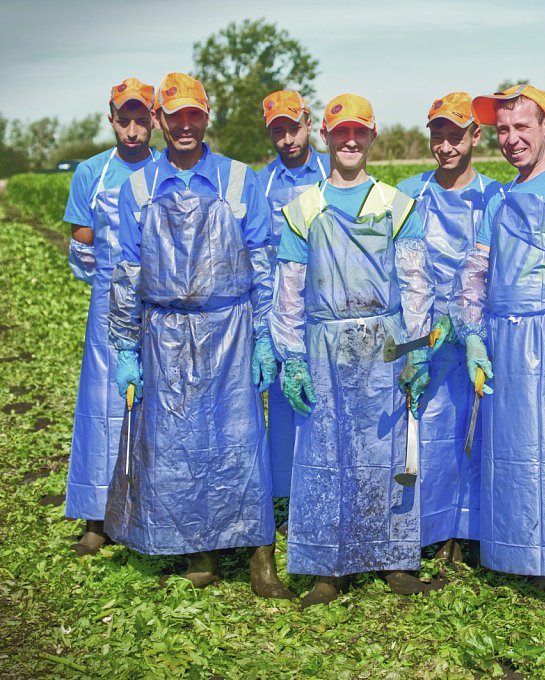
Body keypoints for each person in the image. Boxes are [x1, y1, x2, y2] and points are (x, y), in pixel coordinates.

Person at [105, 72, 290, 599]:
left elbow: (263, 260)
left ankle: (261, 559)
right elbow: (126, 271)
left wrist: (265, 336)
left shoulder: (237, 179)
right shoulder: (136, 187)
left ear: (207, 117)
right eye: (175, 116)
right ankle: (200, 552)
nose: (185, 126)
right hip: (164, 333)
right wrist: (125, 347)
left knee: (241, 441)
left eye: (195, 115)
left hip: (229, 326)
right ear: (159, 119)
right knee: (176, 444)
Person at [448, 84, 545, 638]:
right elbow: (476, 268)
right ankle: (538, 563)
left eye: (522, 127)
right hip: (504, 338)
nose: (512, 140)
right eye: (502, 131)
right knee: (517, 453)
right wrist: (472, 333)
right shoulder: (499, 195)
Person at [270, 93, 437, 607]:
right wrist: (291, 356)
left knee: (384, 451)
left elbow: (415, 283)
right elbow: (288, 290)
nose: (349, 140)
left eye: (358, 132)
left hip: (384, 344)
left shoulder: (396, 204)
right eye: (339, 131)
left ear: (371, 137)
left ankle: (391, 557)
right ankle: (328, 564)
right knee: (325, 451)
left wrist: (417, 347)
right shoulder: (302, 209)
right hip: (323, 346)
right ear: (325, 135)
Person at [395, 92, 498, 565]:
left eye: (456, 136)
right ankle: (433, 530)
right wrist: (419, 338)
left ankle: (473, 531)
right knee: (428, 429)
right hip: (427, 330)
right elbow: (404, 272)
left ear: (475, 136)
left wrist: (468, 323)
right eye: (438, 136)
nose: (446, 146)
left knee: (476, 430)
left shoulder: (496, 195)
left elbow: (487, 266)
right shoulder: (409, 193)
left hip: (476, 329)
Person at [62, 77, 157, 556]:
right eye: (126, 120)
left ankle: (149, 511)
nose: (134, 130)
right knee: (103, 408)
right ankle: (97, 518)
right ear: (112, 119)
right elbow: (82, 236)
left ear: (155, 119)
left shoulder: (165, 170)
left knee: (157, 407)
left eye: (142, 120)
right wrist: (112, 284)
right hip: (107, 307)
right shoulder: (92, 173)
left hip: (160, 305)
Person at [257, 90, 330, 503]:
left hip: (326, 307)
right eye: (278, 131)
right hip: (280, 309)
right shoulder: (260, 183)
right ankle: (287, 498)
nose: (288, 139)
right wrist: (265, 329)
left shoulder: (329, 173)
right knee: (284, 408)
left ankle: (324, 488)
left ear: (308, 123)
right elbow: (255, 255)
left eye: (294, 128)